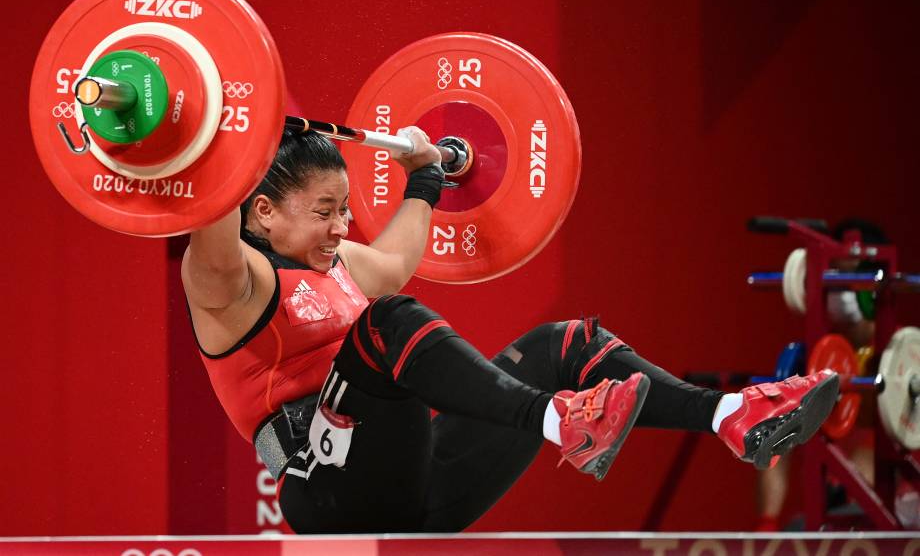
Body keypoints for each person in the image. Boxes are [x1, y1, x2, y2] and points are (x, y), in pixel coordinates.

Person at [182, 127, 840, 533]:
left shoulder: (342, 263)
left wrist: (428, 173)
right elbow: (212, 223)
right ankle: (560, 421)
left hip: (423, 490)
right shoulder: (235, 285)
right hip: (327, 494)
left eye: (345, 210)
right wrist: (219, 133)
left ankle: (729, 414)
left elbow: (396, 259)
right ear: (263, 211)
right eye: (325, 210)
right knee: (388, 322)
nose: (340, 227)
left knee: (563, 344)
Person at [754, 219, 887, 532]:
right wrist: (766, 528)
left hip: (889, 507)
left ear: (872, 292)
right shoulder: (812, 358)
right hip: (829, 511)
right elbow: (773, 440)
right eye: (832, 278)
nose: (839, 291)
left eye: (848, 280)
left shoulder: (900, 356)